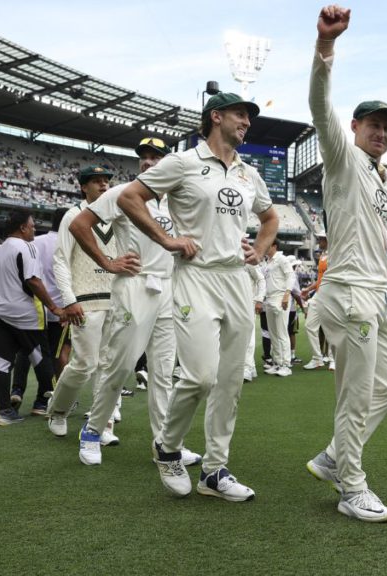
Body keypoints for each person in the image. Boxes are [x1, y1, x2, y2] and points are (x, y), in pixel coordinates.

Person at [117, 91, 279, 502]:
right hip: (195, 277)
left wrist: (259, 250)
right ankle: (167, 448)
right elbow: (129, 197)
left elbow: (270, 216)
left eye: (249, 117)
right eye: (240, 115)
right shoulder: (183, 162)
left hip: (237, 280)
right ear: (216, 116)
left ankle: (214, 470)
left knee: (229, 381)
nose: (246, 122)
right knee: (200, 375)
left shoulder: (247, 173)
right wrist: (168, 240)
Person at [304, 4, 387, 523]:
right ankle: (351, 486)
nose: (382, 132)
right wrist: (326, 47)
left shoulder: (377, 173)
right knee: (356, 394)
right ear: (355, 127)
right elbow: (320, 107)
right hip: (349, 291)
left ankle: (332, 457)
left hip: (379, 293)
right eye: (374, 124)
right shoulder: (343, 157)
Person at [65, 137, 200, 467]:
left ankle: (166, 443)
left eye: (156, 157)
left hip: (170, 290)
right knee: (121, 366)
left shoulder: (177, 200)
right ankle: (93, 431)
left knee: (164, 372)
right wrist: (109, 263)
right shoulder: (123, 193)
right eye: (144, 157)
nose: (149, 163)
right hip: (134, 286)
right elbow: (79, 224)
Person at [48, 165, 122, 441]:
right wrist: (69, 300)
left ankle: (102, 424)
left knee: (110, 364)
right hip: (85, 303)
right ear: (83, 187)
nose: (103, 185)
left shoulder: (118, 215)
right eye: (96, 182)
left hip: (116, 301)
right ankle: (58, 410)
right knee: (84, 364)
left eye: (106, 181)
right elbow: (60, 260)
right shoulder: (73, 215)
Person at [0, 210, 64, 425]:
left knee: (2, 361)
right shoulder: (26, 247)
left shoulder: (0, 249)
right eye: (32, 225)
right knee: (41, 357)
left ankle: (4, 411)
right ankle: (53, 402)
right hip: (25, 314)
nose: (34, 229)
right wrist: (54, 307)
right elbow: (33, 280)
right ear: (22, 227)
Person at [264, 239, 295, 377]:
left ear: (274, 246)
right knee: (273, 333)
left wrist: (286, 294)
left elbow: (291, 276)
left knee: (282, 332)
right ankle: (277, 363)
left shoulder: (281, 259)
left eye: (267, 245)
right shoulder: (267, 262)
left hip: (280, 296)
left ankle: (286, 364)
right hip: (269, 298)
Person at [302, 233, 334, 370]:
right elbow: (320, 279)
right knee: (310, 325)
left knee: (332, 328)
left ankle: (334, 359)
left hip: (331, 295)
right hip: (319, 295)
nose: (319, 241)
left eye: (321, 238)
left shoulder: (335, 255)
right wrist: (308, 289)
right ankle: (317, 358)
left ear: (327, 240)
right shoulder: (323, 255)